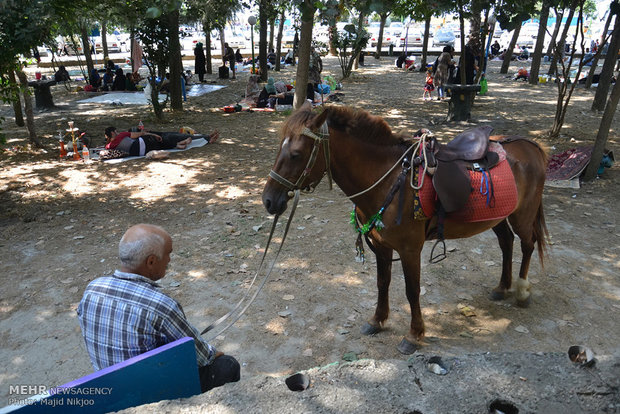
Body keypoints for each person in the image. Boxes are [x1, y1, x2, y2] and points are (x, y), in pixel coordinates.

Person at [77, 224, 240, 393]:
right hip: (147, 393)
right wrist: (216, 354)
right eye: (168, 253)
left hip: (109, 386)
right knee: (227, 365)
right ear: (151, 261)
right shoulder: (160, 305)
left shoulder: (93, 289)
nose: (169, 260)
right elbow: (203, 356)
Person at [104, 126, 219, 156]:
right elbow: (141, 134)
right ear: (113, 133)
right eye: (116, 131)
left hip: (142, 151)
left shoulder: (109, 146)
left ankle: (178, 145)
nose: (118, 132)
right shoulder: (122, 135)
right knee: (168, 136)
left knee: (165, 138)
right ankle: (207, 137)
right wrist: (151, 133)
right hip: (145, 143)